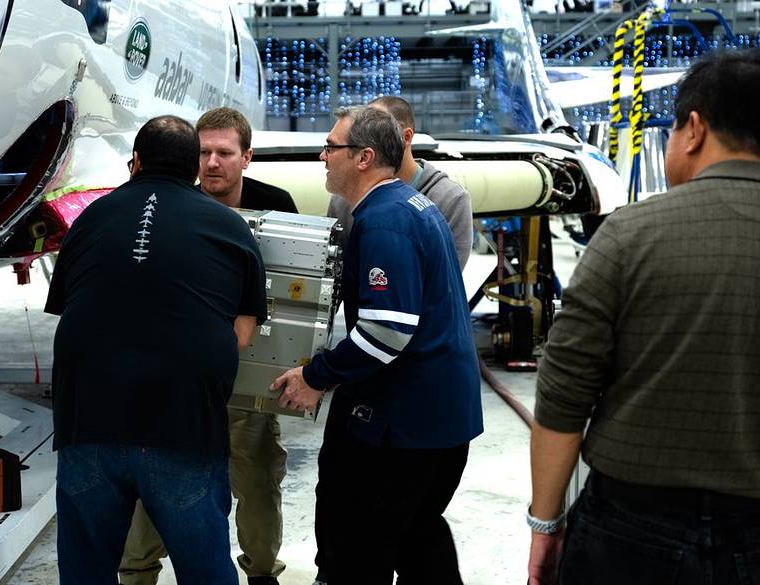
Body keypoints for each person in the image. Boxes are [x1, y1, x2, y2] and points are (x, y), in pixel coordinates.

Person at [527, 49, 760, 585]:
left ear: (694, 129)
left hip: (632, 533)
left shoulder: (630, 235)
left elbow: (564, 396)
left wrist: (547, 520)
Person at [45, 115, 268, 585]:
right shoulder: (230, 228)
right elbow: (242, 334)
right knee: (205, 571)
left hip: (88, 425)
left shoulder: (88, 219)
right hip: (183, 426)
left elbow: (70, 308)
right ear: (195, 168)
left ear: (136, 162)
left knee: (86, 571)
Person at [271, 106, 483, 585]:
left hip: (406, 424)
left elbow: (388, 332)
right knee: (416, 539)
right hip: (434, 417)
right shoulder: (409, 205)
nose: (323, 157)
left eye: (331, 147)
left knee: (363, 545)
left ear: (364, 157)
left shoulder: (386, 221)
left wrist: (316, 375)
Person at [119, 107, 297, 585]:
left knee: (257, 480)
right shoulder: (173, 205)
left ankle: (262, 574)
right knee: (155, 482)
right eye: (203, 153)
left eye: (224, 153)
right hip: (177, 382)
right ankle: (137, 574)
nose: (213, 163)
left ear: (247, 157)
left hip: (249, 374)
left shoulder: (276, 206)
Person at [327, 95, 473, 269]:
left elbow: (443, 282)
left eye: (379, 128)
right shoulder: (344, 198)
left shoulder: (449, 199)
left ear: (406, 137)